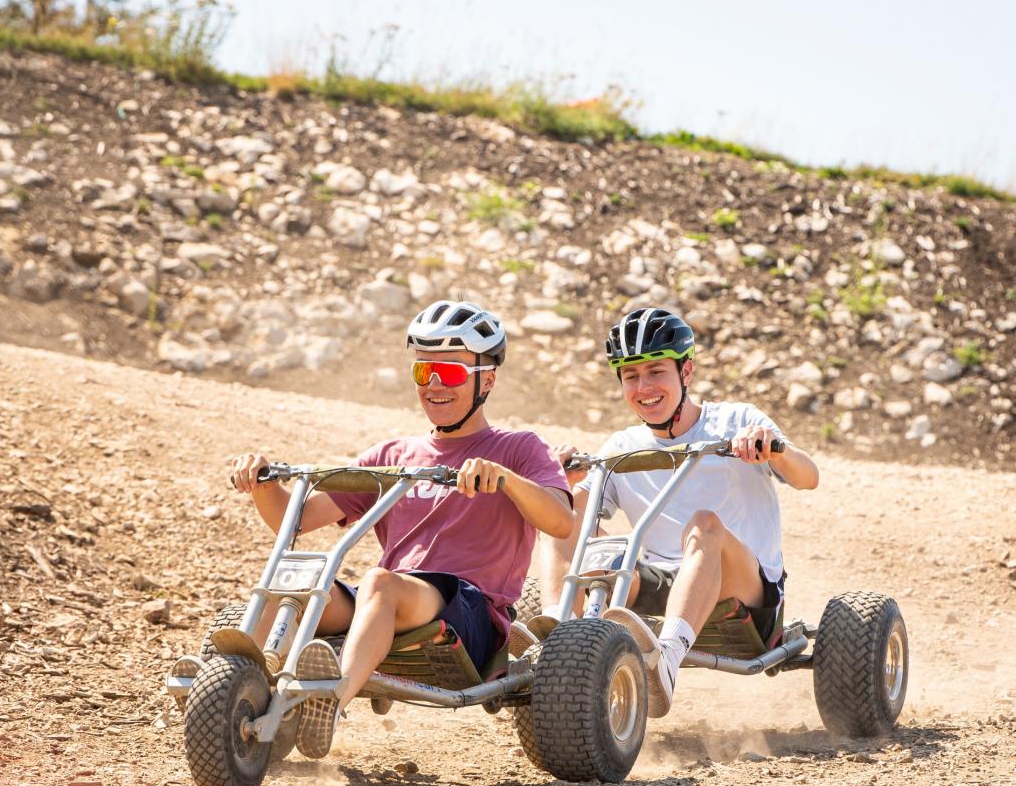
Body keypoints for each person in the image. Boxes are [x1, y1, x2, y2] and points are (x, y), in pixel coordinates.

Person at [230, 300, 574, 758]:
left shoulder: (518, 449)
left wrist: (505, 479)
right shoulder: (391, 456)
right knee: (291, 589)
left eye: (449, 373)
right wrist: (261, 485)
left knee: (379, 583)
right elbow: (293, 522)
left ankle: (329, 705)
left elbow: (561, 521)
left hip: (470, 614)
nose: (434, 385)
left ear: (487, 380)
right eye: (423, 372)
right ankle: (237, 697)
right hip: (388, 602)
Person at [539, 307, 819, 719]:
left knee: (705, 525)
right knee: (562, 517)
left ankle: (666, 660)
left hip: (744, 592)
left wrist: (773, 448)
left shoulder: (737, 420)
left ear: (685, 371)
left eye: (656, 372)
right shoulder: (621, 447)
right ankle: (555, 636)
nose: (644, 387)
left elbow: (809, 477)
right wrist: (558, 483)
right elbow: (569, 520)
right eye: (631, 376)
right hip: (660, 587)